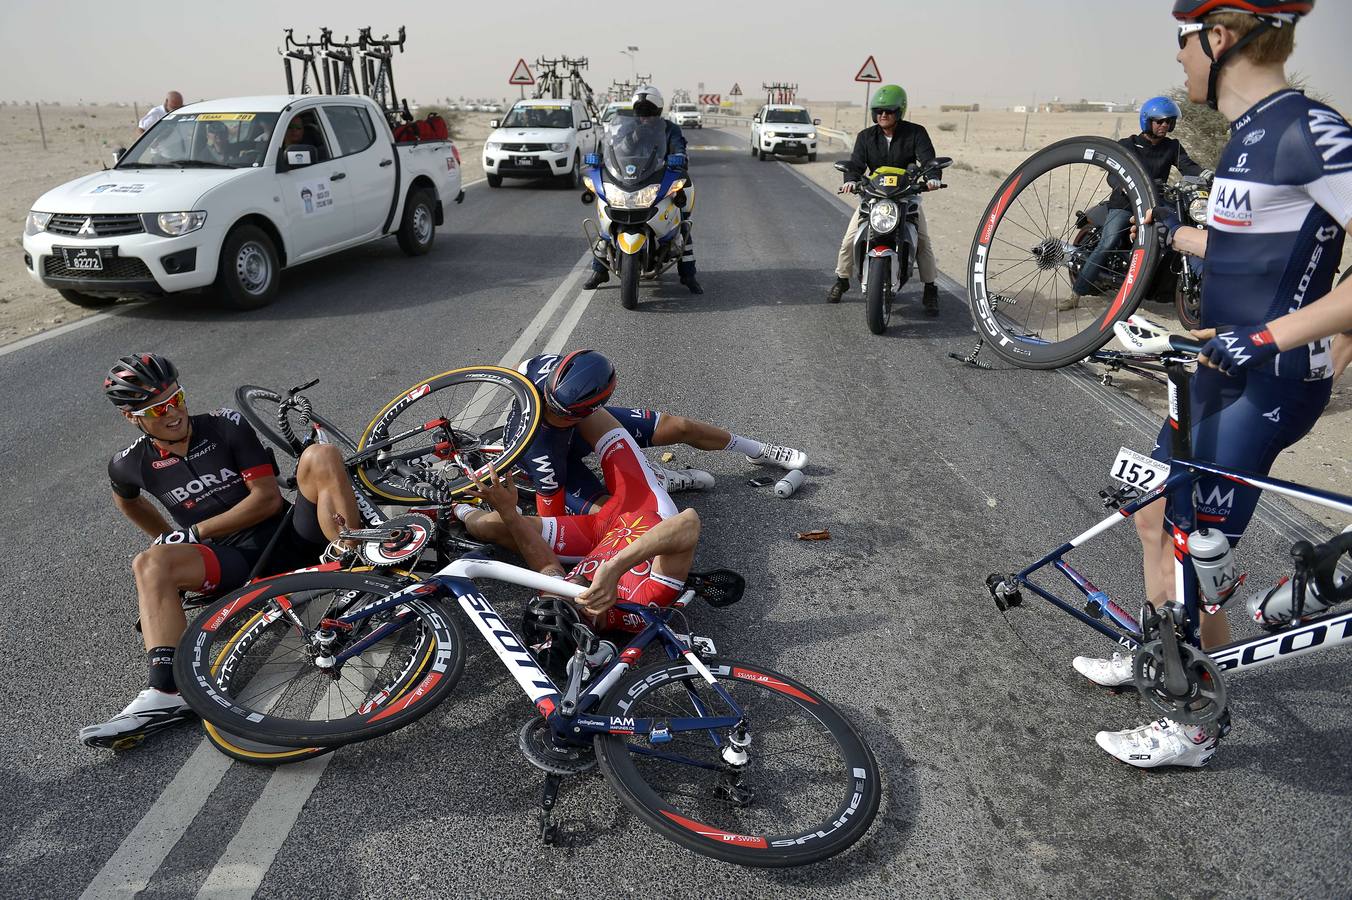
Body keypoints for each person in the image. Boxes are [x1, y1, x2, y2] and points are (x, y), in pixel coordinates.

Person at [1080, 0, 1352, 769]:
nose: (1179, 61)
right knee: (1149, 515)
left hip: (1264, 379)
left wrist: (1268, 337)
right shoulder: (1248, 138)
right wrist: (1173, 228)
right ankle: (1158, 660)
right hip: (1214, 367)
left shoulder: (1310, 127)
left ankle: (1195, 724)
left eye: (1184, 44)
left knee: (1198, 549)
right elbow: (1250, 252)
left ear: (1220, 38)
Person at [80, 354, 363, 749]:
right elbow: (127, 501)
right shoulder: (129, 464)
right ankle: (167, 692)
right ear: (132, 417)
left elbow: (265, 500)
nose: (174, 411)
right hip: (237, 564)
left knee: (321, 455)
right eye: (158, 408)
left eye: (176, 397)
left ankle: (359, 566)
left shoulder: (225, 426)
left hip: (292, 538)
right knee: (149, 562)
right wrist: (167, 537)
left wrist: (191, 531)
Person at [459, 408, 701, 643]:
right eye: (567, 596)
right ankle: (665, 476)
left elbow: (547, 566)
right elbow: (688, 523)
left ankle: (452, 506)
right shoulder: (640, 607)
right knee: (585, 408)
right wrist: (615, 568)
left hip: (599, 532)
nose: (562, 588)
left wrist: (508, 512)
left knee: (488, 525)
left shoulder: (560, 603)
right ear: (592, 616)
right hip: (644, 507)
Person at [513, 351, 807, 517]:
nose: (549, 412)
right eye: (552, 408)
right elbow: (549, 526)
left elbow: (518, 368)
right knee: (614, 515)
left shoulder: (548, 367)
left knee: (680, 427)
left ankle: (757, 450)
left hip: (582, 421)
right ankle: (660, 480)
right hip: (553, 455)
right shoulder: (546, 459)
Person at [1059, 96, 1209, 310]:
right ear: (1147, 121)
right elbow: (1113, 174)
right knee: (1108, 242)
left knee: (1182, 229)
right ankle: (1077, 294)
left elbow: (1188, 166)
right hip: (1125, 203)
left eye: (1168, 121)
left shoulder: (1172, 147)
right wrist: (1123, 184)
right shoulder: (1128, 145)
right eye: (1160, 121)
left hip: (1155, 201)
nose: (1164, 125)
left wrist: (1207, 174)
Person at [826, 84, 943, 315]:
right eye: (879, 111)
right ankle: (842, 280)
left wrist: (932, 178)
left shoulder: (916, 133)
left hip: (906, 195)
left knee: (923, 242)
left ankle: (930, 288)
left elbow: (929, 160)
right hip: (873, 196)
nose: (883, 115)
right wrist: (851, 179)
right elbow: (856, 165)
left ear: (900, 111)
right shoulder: (865, 137)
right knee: (850, 239)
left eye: (888, 111)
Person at [584, 86, 703, 295]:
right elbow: (615, 148)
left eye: (649, 111)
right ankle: (599, 271)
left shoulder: (670, 129)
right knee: (605, 226)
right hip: (628, 179)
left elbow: (679, 149)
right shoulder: (627, 128)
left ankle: (688, 275)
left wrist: (679, 157)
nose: (645, 116)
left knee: (681, 224)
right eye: (641, 111)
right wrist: (633, 136)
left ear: (658, 110)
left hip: (658, 178)